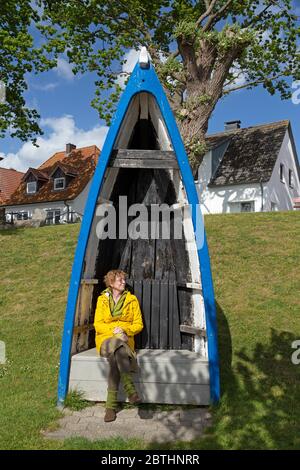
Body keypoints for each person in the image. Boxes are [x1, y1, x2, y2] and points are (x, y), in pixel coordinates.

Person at [94, 269, 144, 422]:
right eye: (120, 280)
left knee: (117, 356)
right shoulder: (102, 299)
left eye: (123, 280)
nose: (124, 282)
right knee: (118, 346)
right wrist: (114, 332)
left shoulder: (132, 299)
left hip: (125, 339)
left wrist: (125, 330)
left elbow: (138, 324)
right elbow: (98, 324)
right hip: (105, 340)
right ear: (111, 283)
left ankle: (110, 407)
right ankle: (129, 388)